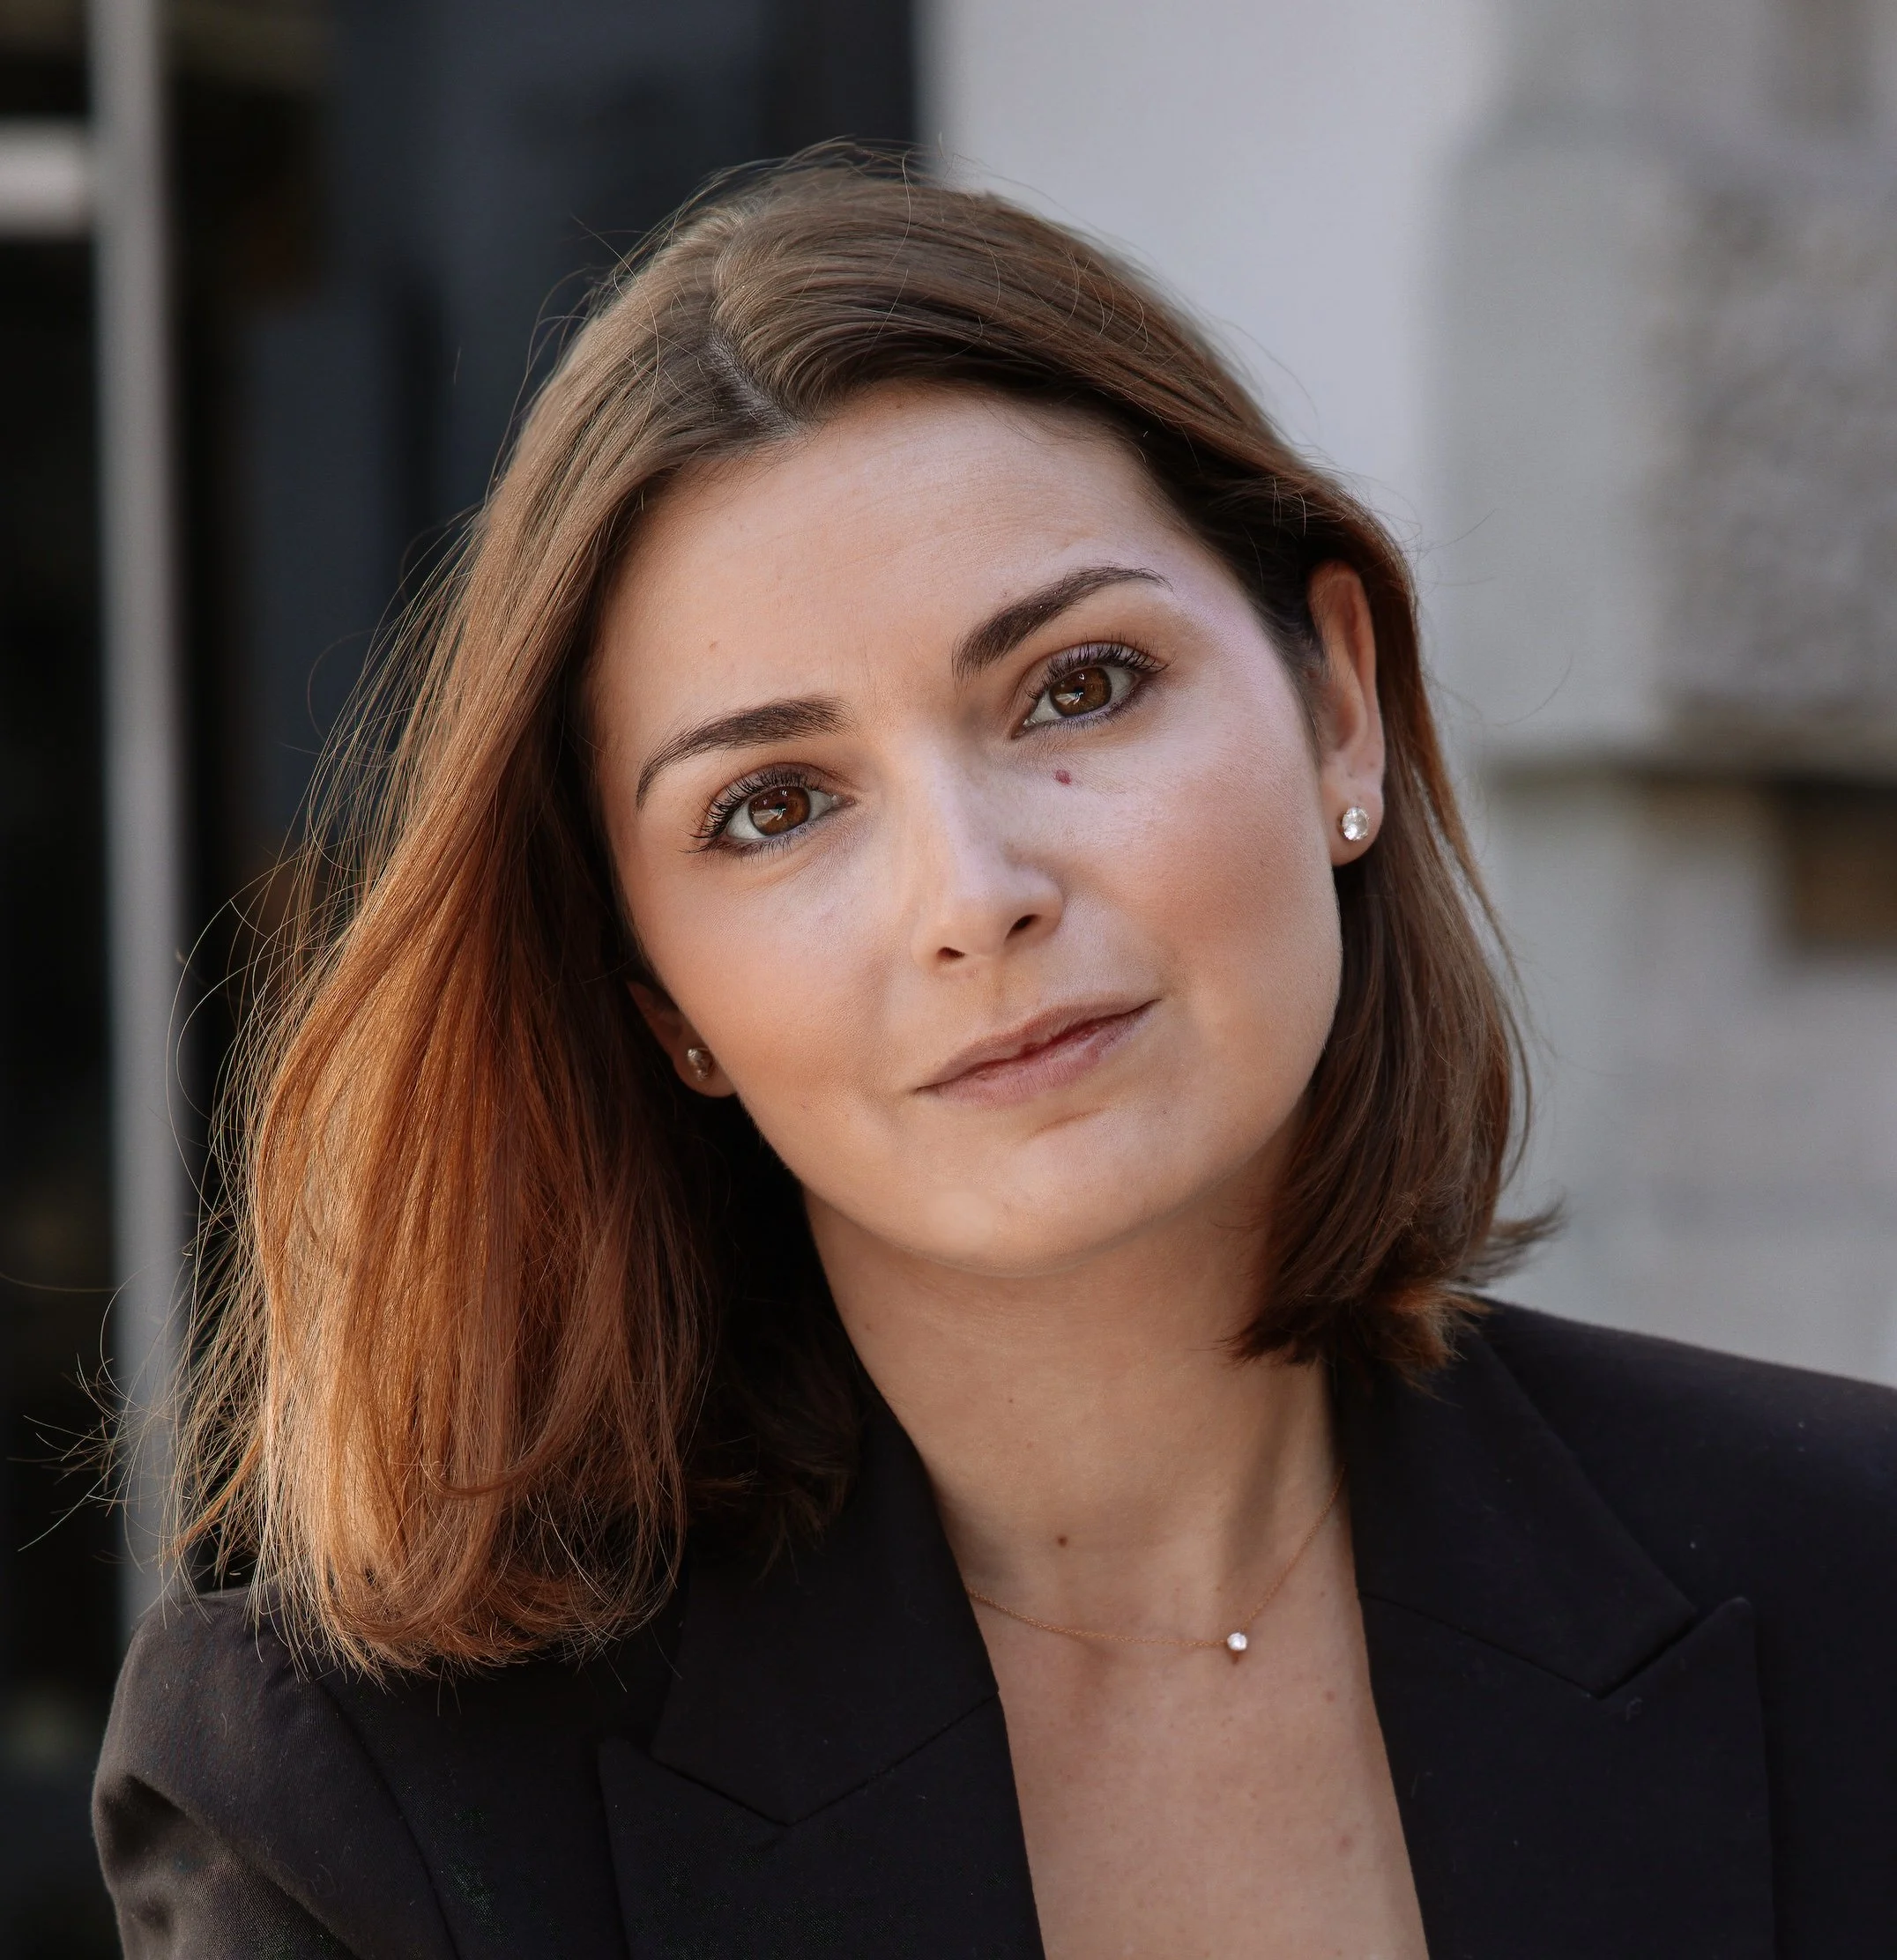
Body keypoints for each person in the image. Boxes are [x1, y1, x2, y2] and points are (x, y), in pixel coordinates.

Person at [94, 157, 1896, 1960]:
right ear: (657, 994)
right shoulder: (370, 1791)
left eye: (1076, 685)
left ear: (1334, 701)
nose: (973, 893)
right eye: (771, 805)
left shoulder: (1851, 1582)